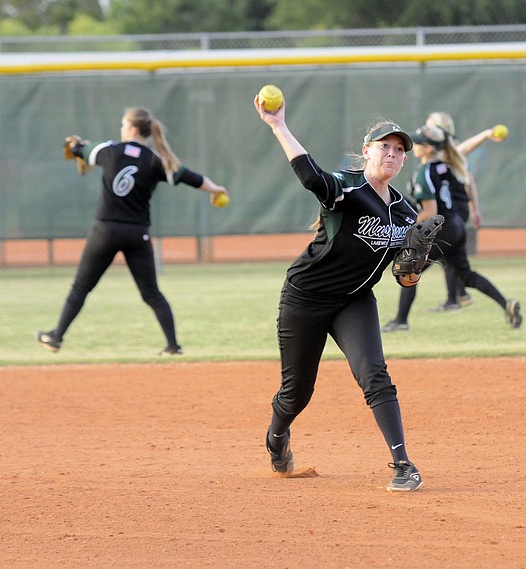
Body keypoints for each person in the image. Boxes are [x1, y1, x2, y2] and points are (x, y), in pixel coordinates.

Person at [253, 94, 425, 492]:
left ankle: (402, 464)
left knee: (375, 376)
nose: (394, 155)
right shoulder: (346, 188)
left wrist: (414, 266)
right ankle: (277, 437)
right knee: (297, 393)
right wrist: (279, 126)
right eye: (386, 147)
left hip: (354, 300)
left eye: (400, 151)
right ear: (367, 151)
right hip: (305, 298)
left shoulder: (406, 212)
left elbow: (404, 278)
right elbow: (311, 176)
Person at [36, 107, 228, 355]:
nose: (121, 129)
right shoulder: (157, 160)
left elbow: (76, 148)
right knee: (152, 294)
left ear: (133, 130)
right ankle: (173, 346)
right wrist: (216, 190)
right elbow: (193, 178)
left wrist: (77, 148)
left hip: (105, 230)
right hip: (138, 234)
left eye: (124, 125)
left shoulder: (109, 149)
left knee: (81, 287)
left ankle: (56, 337)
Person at [381, 124, 522, 332]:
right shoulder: (448, 166)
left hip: (442, 229)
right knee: (466, 276)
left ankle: (401, 321)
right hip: (456, 225)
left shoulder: (426, 172)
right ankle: (506, 303)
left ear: (429, 148)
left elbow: (429, 212)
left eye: (419, 142)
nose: (415, 146)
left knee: (409, 268)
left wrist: (407, 224)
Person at [424, 112, 507, 311]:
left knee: (445, 253)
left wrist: (486, 135)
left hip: (453, 209)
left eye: (429, 126)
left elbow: (464, 154)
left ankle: (456, 296)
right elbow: (469, 180)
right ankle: (457, 295)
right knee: (449, 256)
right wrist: (475, 208)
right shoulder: (445, 151)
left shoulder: (448, 150)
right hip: (457, 208)